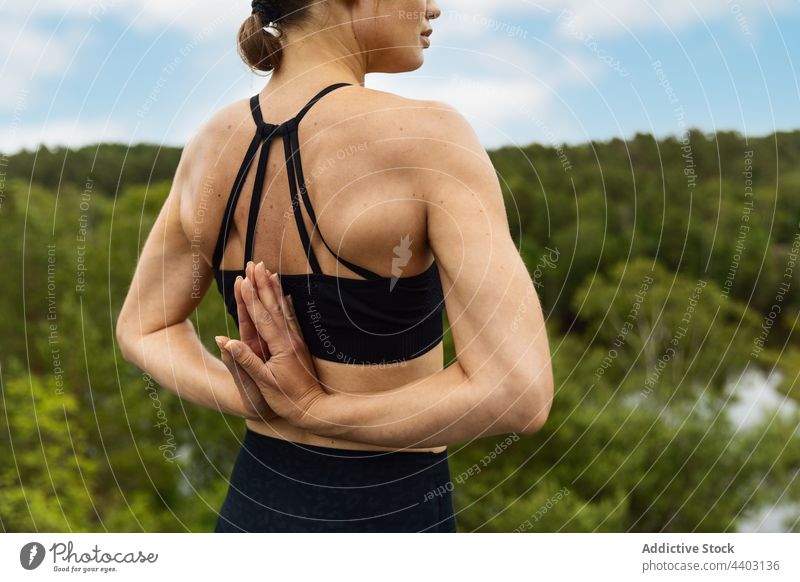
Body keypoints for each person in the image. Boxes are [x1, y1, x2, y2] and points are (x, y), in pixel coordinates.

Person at [116, 0, 554, 533]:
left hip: (254, 508)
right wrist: (310, 409)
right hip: (390, 514)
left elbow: (144, 326)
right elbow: (517, 394)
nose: (434, 8)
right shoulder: (428, 137)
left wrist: (252, 399)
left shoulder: (211, 143)